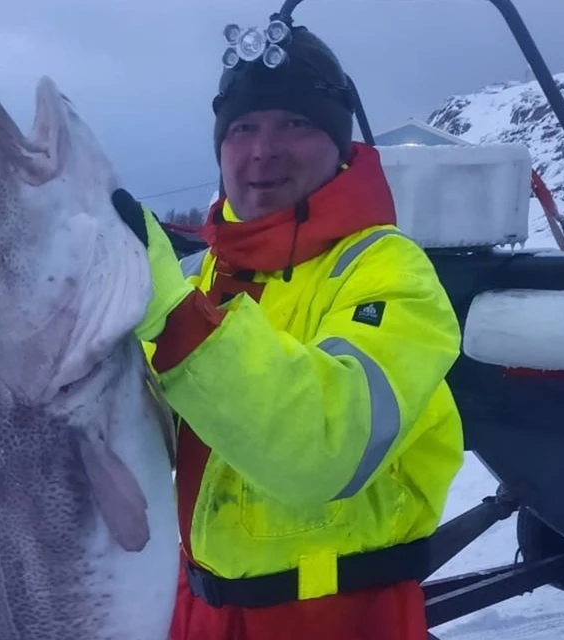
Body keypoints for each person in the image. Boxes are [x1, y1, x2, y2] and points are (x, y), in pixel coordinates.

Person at [110, 19, 465, 640]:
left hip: (339, 619)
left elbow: (327, 445)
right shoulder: (208, 277)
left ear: (339, 144)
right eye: (242, 127)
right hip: (196, 612)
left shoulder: (389, 272)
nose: (261, 150)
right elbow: (133, 434)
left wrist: (171, 314)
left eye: (293, 124)